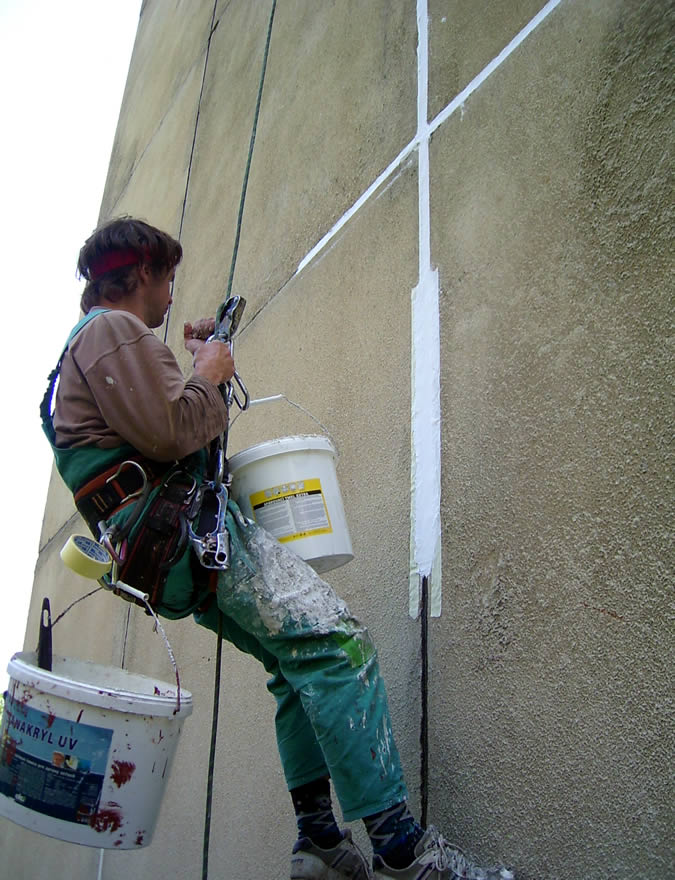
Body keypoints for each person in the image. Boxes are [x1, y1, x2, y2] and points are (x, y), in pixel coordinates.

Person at [41, 217, 515, 880]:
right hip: (186, 536)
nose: (173, 294)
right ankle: (403, 855)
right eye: (169, 277)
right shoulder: (109, 330)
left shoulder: (80, 358)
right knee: (337, 646)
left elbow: (160, 432)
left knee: (296, 669)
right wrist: (208, 373)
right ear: (141, 271)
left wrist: (198, 368)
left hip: (163, 554)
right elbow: (174, 429)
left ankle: (320, 843)